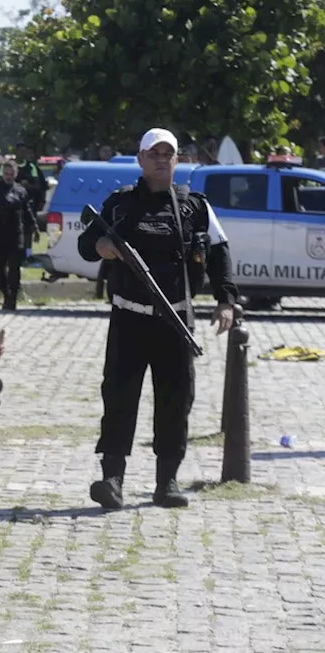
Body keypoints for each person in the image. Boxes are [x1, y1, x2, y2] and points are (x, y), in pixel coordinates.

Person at [78, 127, 238, 511]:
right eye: (154, 153)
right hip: (129, 319)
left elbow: (219, 253)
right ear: (140, 159)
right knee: (118, 399)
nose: (161, 159)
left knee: (175, 401)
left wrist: (226, 300)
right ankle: (112, 478)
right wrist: (101, 246)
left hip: (176, 320)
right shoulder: (119, 204)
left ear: (177, 160)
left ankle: (167, 482)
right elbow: (86, 243)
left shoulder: (195, 206)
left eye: (168, 153)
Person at [0, 161, 37, 312]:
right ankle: (5, 294)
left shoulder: (20, 190)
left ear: (16, 174)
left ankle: (12, 298)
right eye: (6, 174)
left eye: (12, 174)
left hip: (16, 233)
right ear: (2, 174)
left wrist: (35, 229)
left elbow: (28, 211)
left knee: (14, 267)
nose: (9, 177)